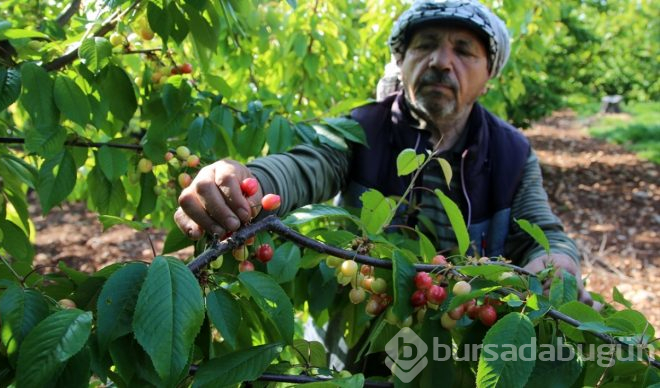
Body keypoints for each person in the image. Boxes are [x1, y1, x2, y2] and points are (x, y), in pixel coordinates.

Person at [175, 0, 594, 306]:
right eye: (424, 45)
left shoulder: (511, 153)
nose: (441, 61)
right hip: (357, 331)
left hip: (462, 342)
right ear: (402, 59)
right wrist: (247, 181)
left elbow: (543, 229)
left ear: (489, 76)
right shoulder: (361, 128)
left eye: (464, 50)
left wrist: (556, 263)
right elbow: (306, 166)